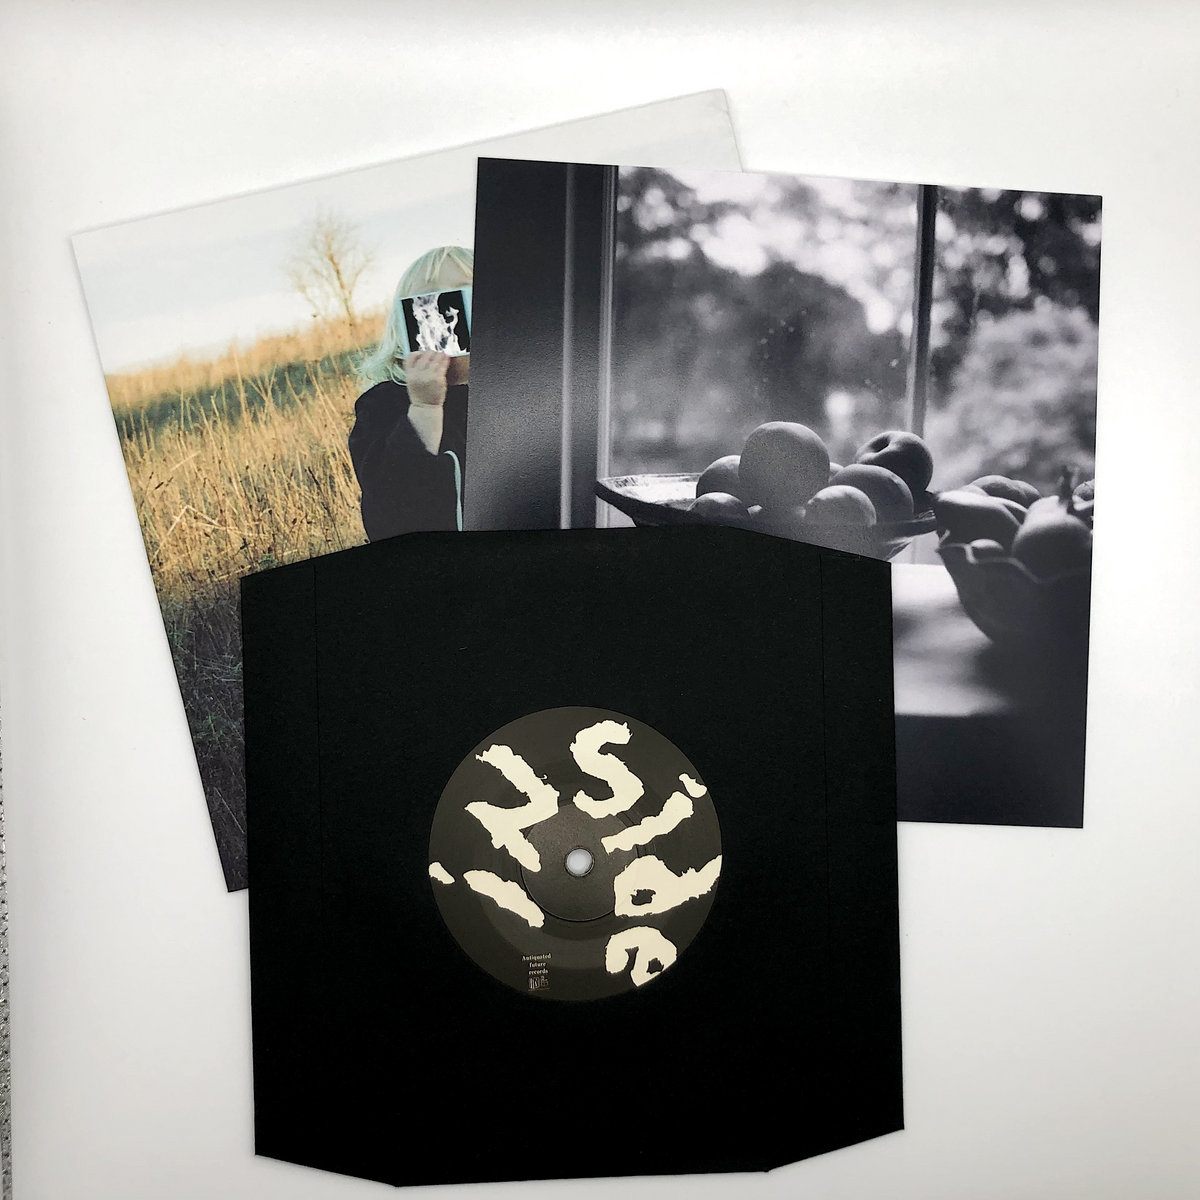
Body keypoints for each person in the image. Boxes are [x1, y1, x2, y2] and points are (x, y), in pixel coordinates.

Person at [349, 246, 473, 541]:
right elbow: (388, 506)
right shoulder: (383, 405)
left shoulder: (520, 392)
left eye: (467, 292)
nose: (450, 309)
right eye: (430, 298)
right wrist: (425, 408)